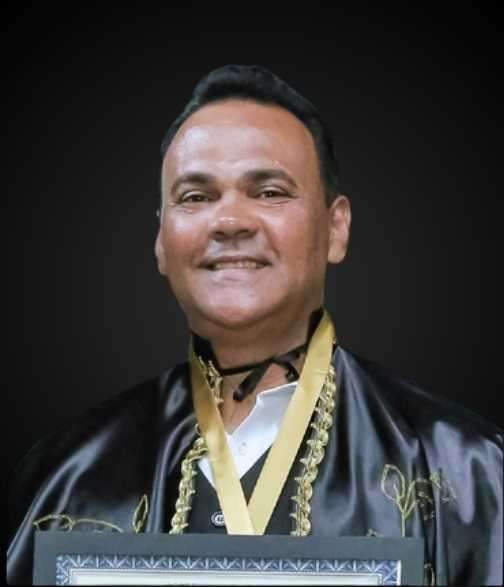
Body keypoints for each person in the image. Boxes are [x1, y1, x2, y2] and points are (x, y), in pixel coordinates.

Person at [7, 65, 502, 586]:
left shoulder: (465, 470)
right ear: (161, 242)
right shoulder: (66, 472)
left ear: (336, 228)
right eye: (195, 197)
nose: (230, 221)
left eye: (268, 192)